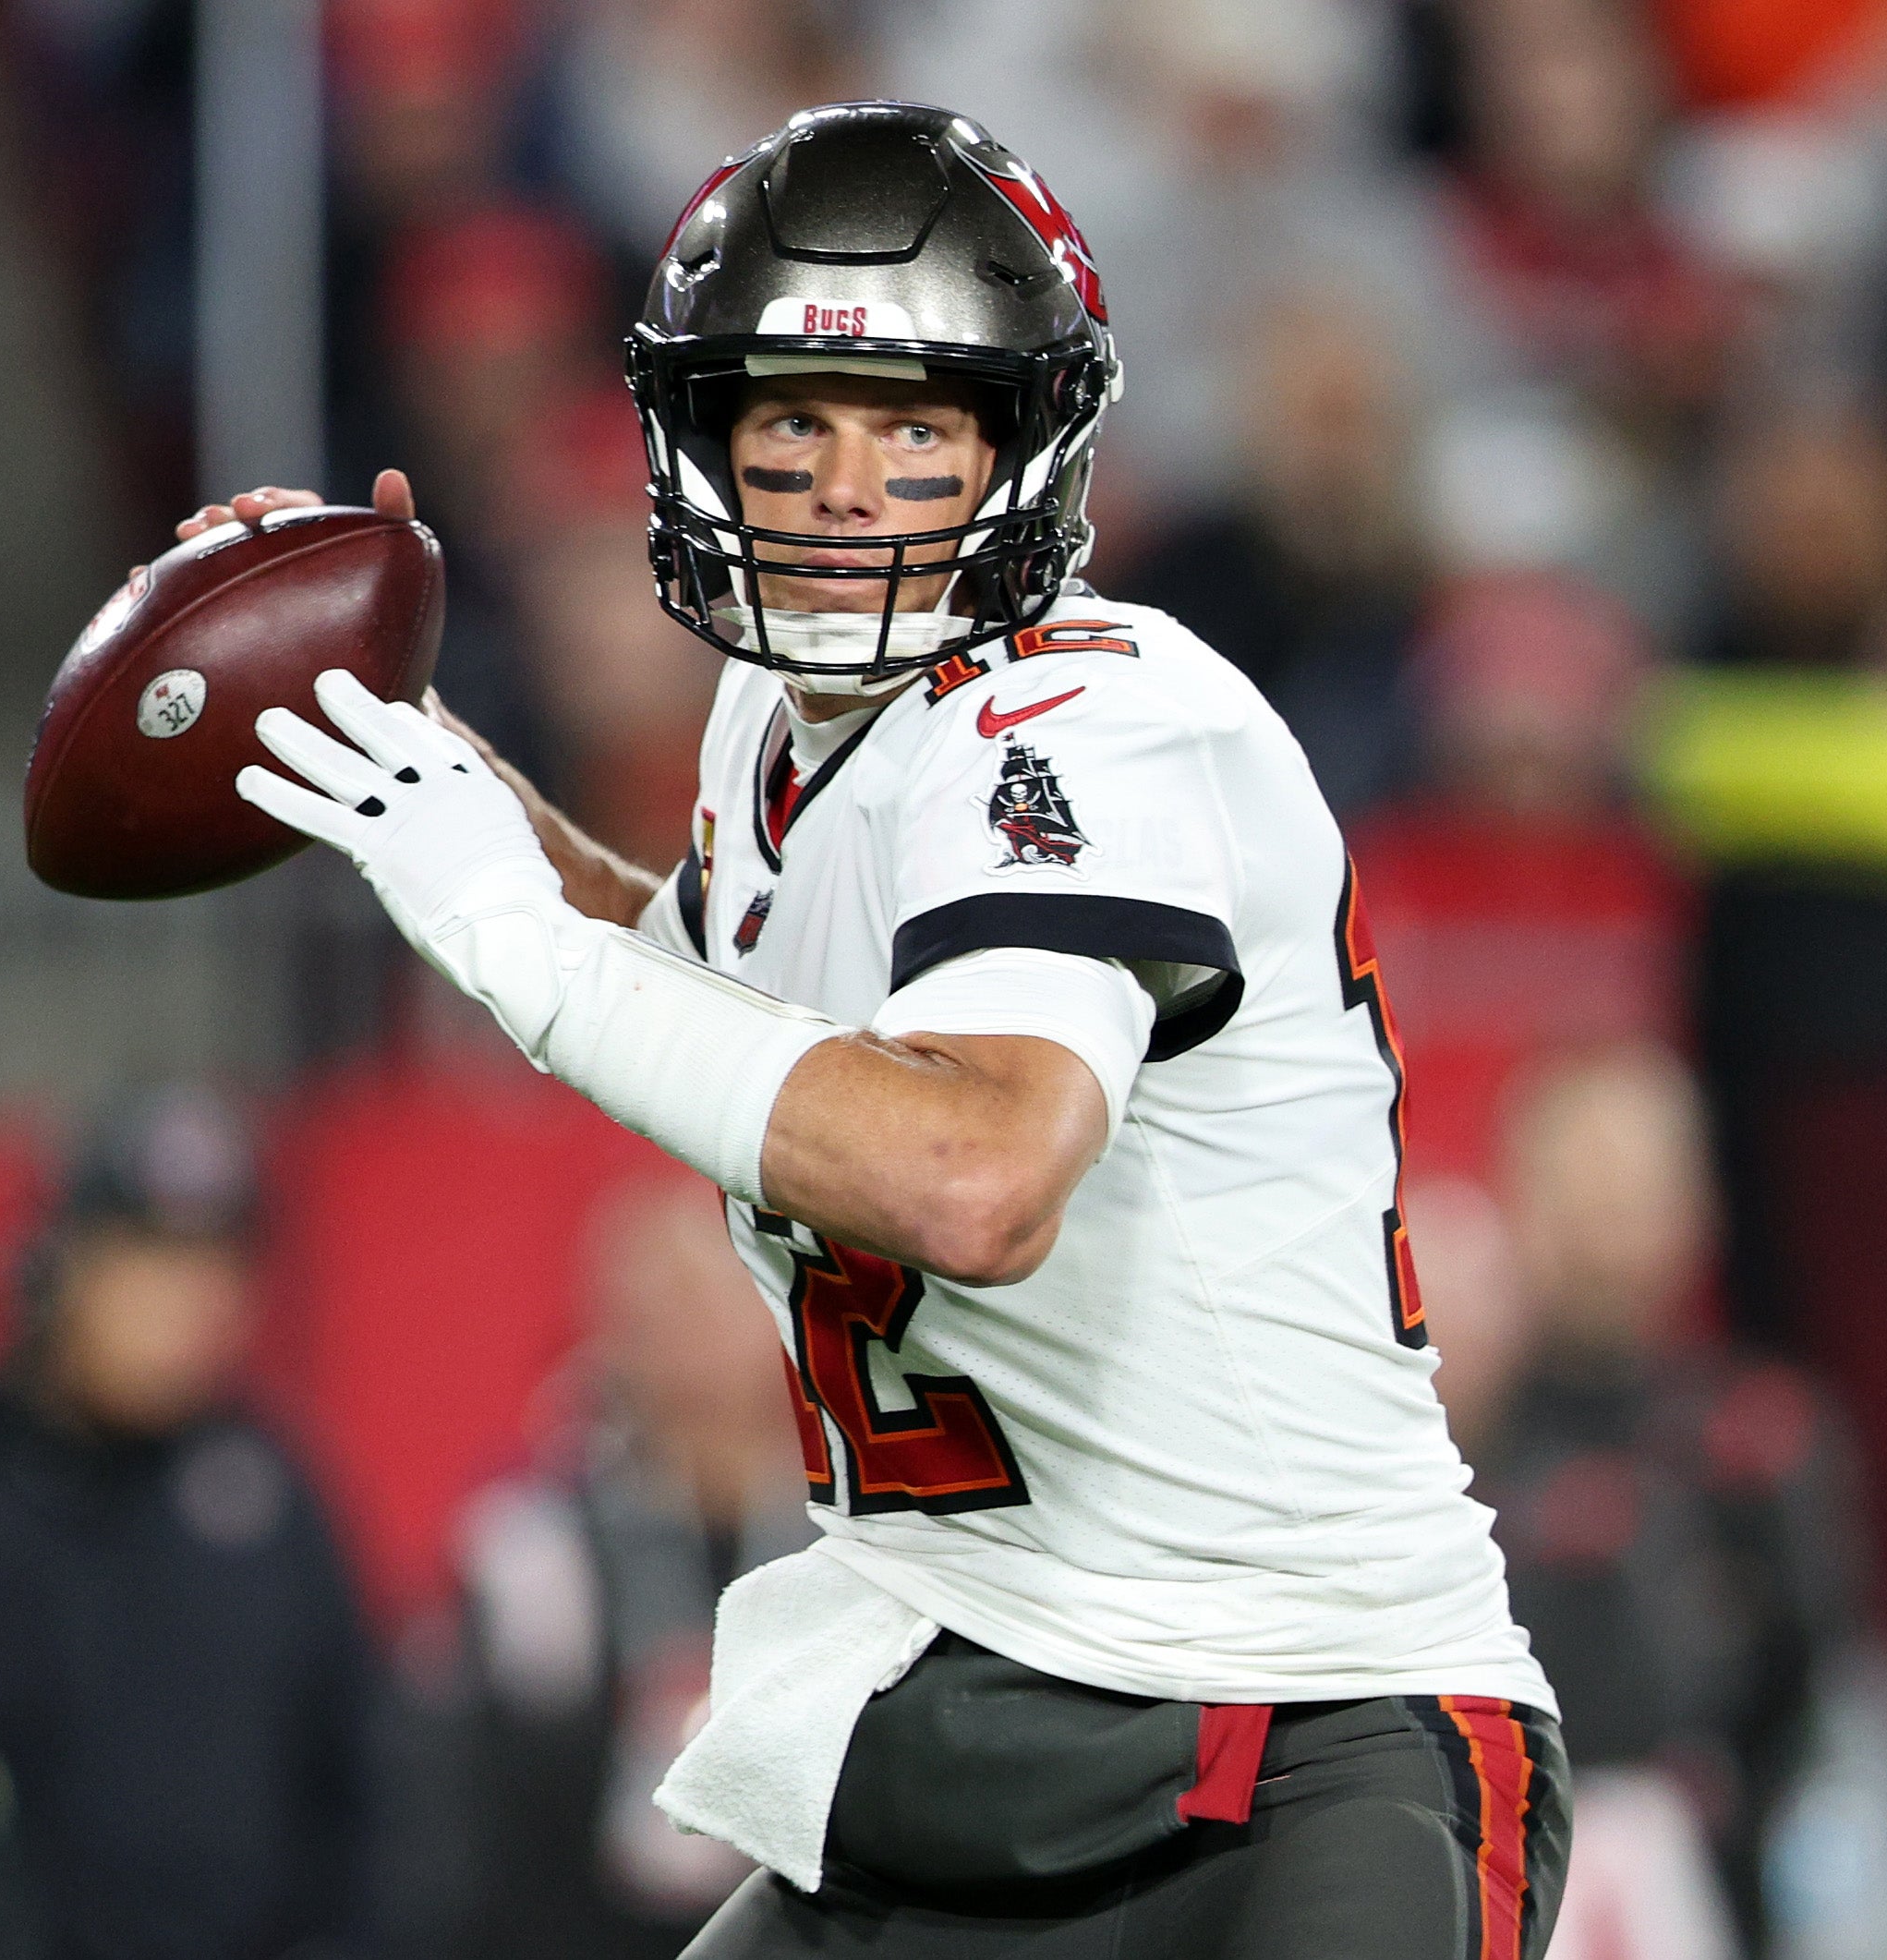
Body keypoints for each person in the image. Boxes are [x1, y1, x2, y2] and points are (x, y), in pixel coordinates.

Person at [198, 100, 1565, 1960]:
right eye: (791, 420)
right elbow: (707, 1009)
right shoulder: (773, 730)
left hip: (1303, 1733)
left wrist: (515, 938)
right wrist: (414, 759)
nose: (844, 485)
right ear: (705, 445)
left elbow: (975, 1168)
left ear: (1022, 450)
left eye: (913, 424)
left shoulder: (1095, 719)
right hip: (978, 1712)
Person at [0, 1086, 378, 1960]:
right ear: (58, 1268)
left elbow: (367, 1793)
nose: (188, 1305)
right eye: (149, 1260)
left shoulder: (271, 1502)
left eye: (217, 1267)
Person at [1477, 1044, 1865, 1956]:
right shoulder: (1446, 1436)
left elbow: (1817, 1695)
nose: (1607, 1229)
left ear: (1697, 1208)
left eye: (1634, 1190)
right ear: (1518, 1198)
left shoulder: (1763, 1442)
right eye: (1582, 1188)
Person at [394, 1176, 814, 1957]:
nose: (681, 1335)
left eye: (703, 1298)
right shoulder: (534, 1542)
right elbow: (467, 1798)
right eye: (651, 1308)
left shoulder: (841, 1543)